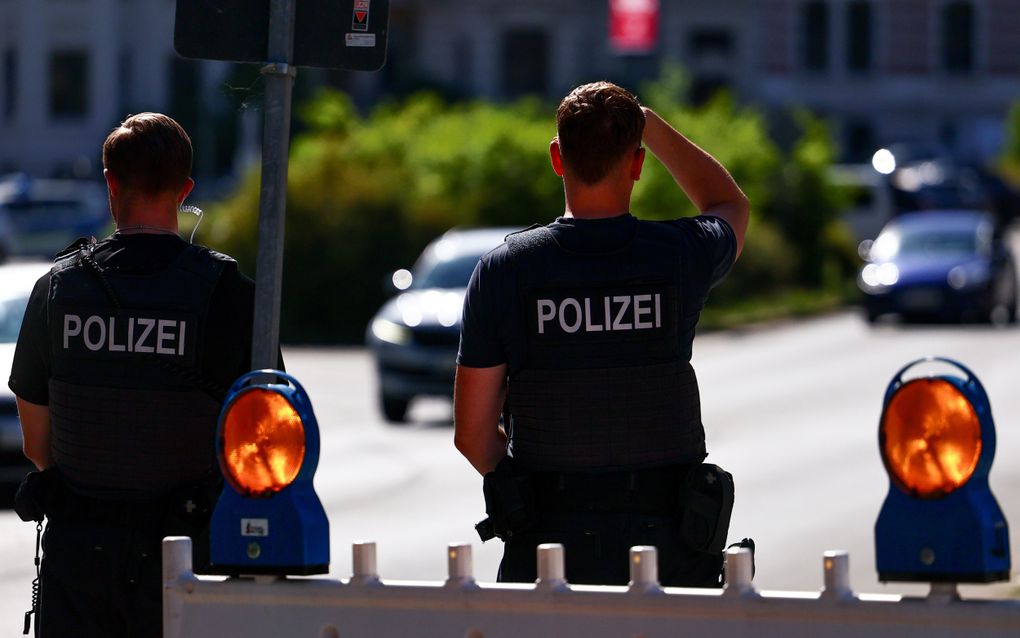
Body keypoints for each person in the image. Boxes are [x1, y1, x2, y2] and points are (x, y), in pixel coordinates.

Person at [453, 82, 750, 586]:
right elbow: (728, 202)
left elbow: (472, 435)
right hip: (668, 546)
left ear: (557, 157)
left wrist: (530, 490)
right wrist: (649, 124)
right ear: (636, 164)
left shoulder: (505, 271)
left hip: (548, 545)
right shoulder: (679, 255)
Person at [8, 113, 267, 637]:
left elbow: (39, 446)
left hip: (79, 564)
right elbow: (261, 440)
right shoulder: (231, 294)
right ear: (186, 189)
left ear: (110, 182)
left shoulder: (58, 288)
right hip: (191, 563)